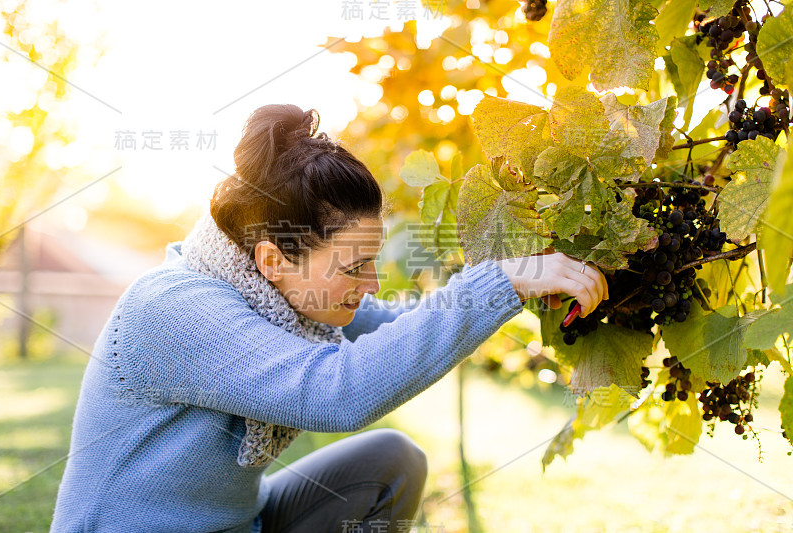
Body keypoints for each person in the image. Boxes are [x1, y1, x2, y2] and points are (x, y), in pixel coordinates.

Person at [49, 104, 607, 533]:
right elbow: (335, 391)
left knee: (392, 461)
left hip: (244, 522)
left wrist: (528, 289)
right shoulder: (175, 309)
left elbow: (397, 327)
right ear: (273, 258)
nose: (370, 284)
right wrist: (503, 281)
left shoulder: (282, 293)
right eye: (354, 267)